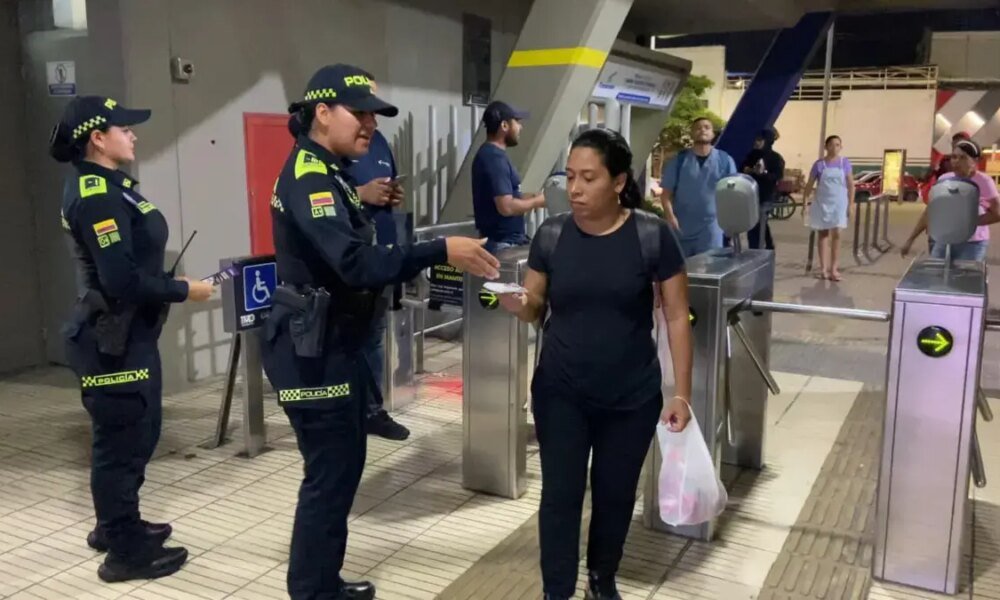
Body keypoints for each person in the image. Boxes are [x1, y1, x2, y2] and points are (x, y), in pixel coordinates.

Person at [264, 63, 499, 600]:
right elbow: (352, 262)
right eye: (360, 113)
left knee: (341, 470)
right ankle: (312, 591)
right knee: (330, 475)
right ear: (323, 112)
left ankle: (321, 582)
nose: (370, 124)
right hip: (313, 350)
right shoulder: (310, 176)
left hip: (332, 342)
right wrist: (440, 249)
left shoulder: (330, 172)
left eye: (374, 115)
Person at [496, 128, 694, 600]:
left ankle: (602, 579)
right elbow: (535, 306)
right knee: (560, 496)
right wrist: (518, 303)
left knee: (615, 495)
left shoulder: (652, 235)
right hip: (561, 392)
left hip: (631, 397)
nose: (576, 188)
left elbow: (676, 316)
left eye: (589, 178)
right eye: (570, 177)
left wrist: (681, 393)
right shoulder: (552, 234)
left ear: (619, 181)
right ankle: (557, 590)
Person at [49, 96, 214, 582]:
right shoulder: (97, 194)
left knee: (134, 434)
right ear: (98, 138)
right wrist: (183, 289)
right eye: (125, 128)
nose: (134, 135)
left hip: (126, 333)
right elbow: (120, 280)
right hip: (111, 339)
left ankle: (118, 523)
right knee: (122, 442)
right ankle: (124, 553)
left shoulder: (107, 186)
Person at [346, 81, 410, 441]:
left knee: (374, 337)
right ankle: (347, 413)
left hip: (381, 256)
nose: (371, 121)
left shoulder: (380, 141)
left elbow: (386, 184)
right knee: (344, 339)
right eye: (363, 110)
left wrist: (391, 194)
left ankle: (372, 410)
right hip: (349, 262)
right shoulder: (327, 152)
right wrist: (361, 193)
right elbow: (320, 197)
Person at [902, 139, 1000, 262]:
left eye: (963, 158)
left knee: (965, 274)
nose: (956, 161)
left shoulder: (984, 182)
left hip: (972, 244)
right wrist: (911, 239)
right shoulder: (944, 179)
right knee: (935, 271)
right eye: (954, 157)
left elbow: (997, 214)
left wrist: (967, 223)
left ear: (975, 161)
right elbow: (930, 211)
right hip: (945, 240)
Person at [472, 100, 546, 253]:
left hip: (506, 242)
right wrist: (536, 202)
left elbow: (510, 196)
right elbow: (506, 207)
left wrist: (534, 197)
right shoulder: (493, 158)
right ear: (504, 126)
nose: (520, 127)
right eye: (517, 122)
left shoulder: (493, 155)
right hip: (503, 244)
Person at [660, 117, 737, 257]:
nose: (702, 130)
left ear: (713, 134)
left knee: (709, 266)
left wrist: (731, 225)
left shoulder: (725, 160)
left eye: (707, 127)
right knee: (682, 267)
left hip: (711, 228)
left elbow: (732, 194)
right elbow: (665, 195)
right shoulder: (679, 161)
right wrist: (670, 217)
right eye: (698, 128)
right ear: (691, 134)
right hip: (681, 227)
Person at [803, 135, 854, 281]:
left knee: (837, 233)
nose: (834, 148)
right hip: (822, 203)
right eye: (831, 144)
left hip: (839, 203)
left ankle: (834, 269)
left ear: (841, 147)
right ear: (826, 147)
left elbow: (851, 185)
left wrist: (851, 204)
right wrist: (805, 203)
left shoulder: (844, 163)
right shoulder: (819, 164)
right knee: (823, 234)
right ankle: (823, 269)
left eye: (837, 145)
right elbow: (809, 185)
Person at [742, 128, 785, 250]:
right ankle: (758, 248)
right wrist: (748, 170)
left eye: (760, 140)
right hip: (750, 195)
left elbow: (777, 176)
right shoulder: (751, 155)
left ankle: (761, 248)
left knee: (760, 221)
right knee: (753, 223)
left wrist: (764, 173)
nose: (756, 142)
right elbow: (742, 168)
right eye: (756, 140)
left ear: (767, 141)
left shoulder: (776, 158)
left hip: (766, 196)